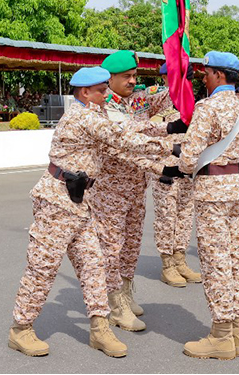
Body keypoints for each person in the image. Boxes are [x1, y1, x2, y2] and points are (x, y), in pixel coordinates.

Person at [8, 66, 174, 358]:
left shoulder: (94, 114)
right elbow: (123, 139)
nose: (106, 94)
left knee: (93, 265)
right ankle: (21, 329)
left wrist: (161, 161)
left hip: (80, 200)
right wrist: (172, 147)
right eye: (101, 90)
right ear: (85, 92)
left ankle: (100, 328)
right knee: (43, 267)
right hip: (57, 202)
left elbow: (120, 143)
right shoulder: (82, 116)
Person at [167, 50, 239, 361]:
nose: (203, 77)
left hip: (211, 191)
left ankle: (220, 336)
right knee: (234, 260)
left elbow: (190, 158)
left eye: (206, 73)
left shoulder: (208, 108)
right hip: (234, 187)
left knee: (216, 261)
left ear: (218, 75)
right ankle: (237, 331)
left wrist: (181, 163)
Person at [88, 50, 185, 332]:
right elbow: (128, 139)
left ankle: (126, 293)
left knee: (131, 246)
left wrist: (180, 71)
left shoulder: (139, 99)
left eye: (134, 76)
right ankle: (113, 303)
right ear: (110, 79)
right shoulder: (102, 107)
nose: (132, 81)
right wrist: (166, 140)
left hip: (136, 186)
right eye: (126, 77)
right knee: (112, 248)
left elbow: (171, 97)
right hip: (110, 189)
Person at [151, 61, 201, 291]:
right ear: (163, 77)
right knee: (166, 218)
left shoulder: (191, 102)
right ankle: (167, 264)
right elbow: (147, 130)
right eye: (171, 76)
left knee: (184, 215)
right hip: (165, 170)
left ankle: (180, 259)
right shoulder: (156, 101)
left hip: (186, 169)